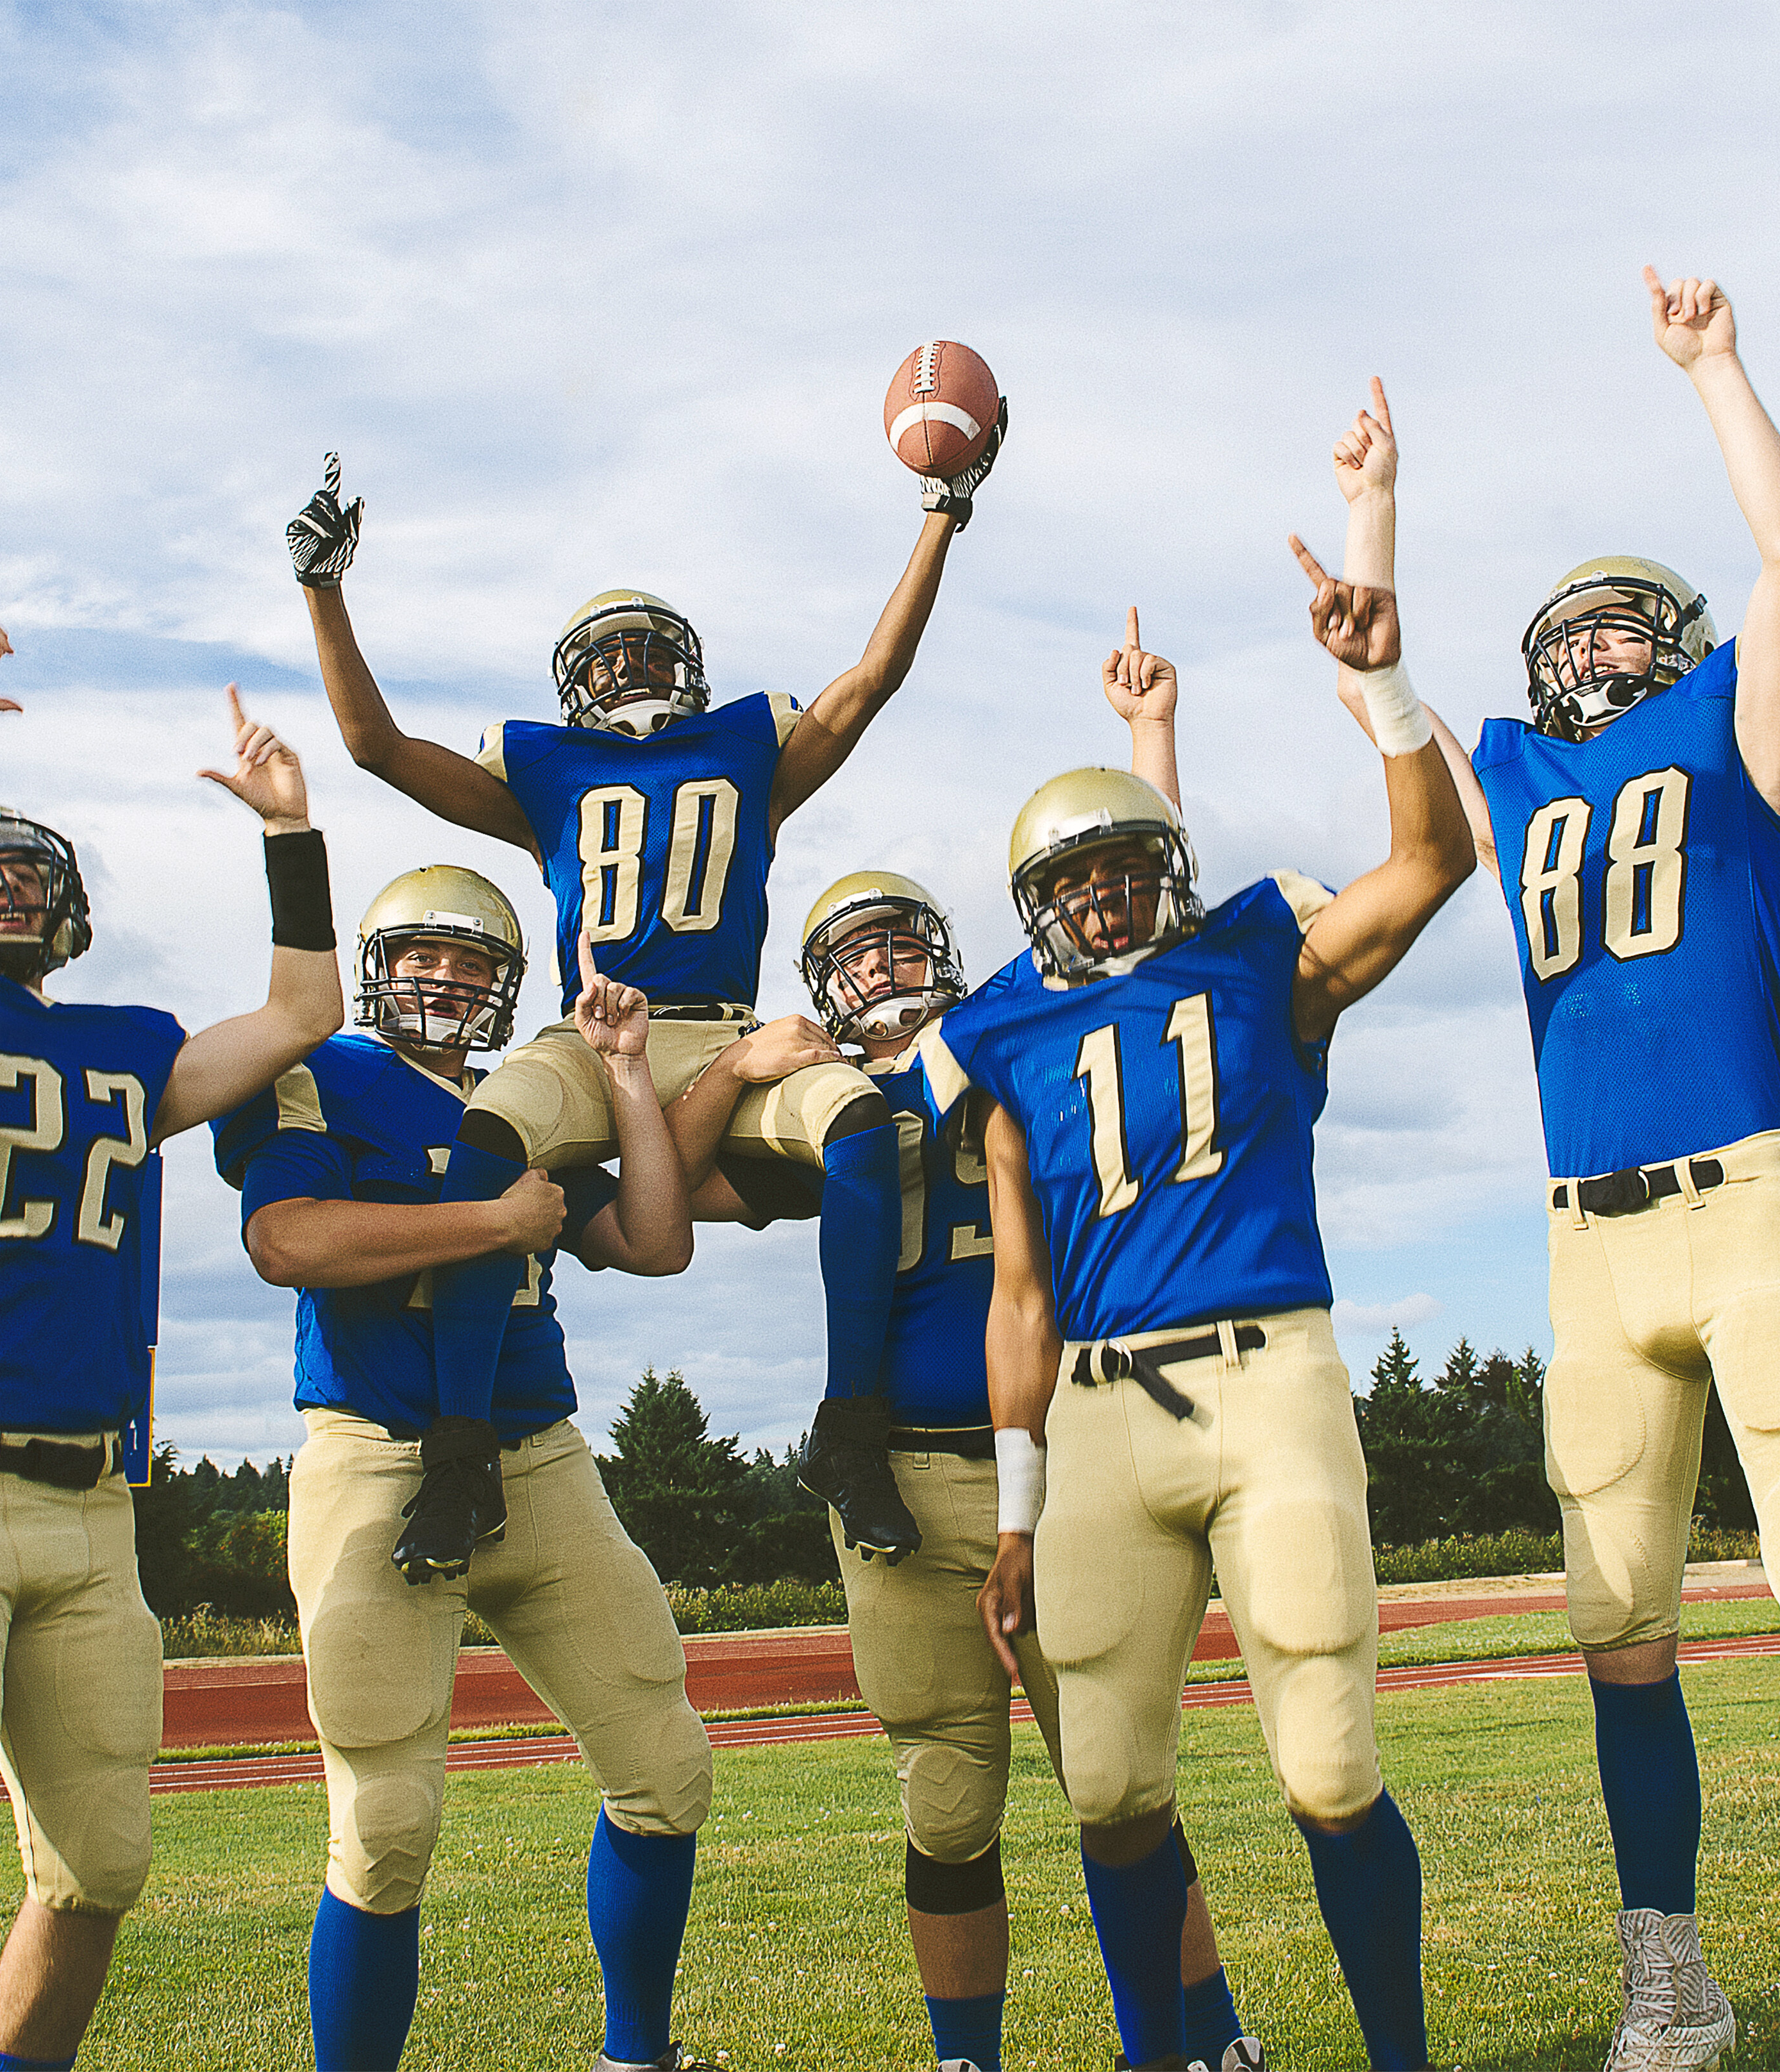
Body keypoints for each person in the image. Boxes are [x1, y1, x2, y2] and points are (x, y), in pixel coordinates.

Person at [1332, 281, 1780, 2069]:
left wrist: (1712, 368)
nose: (1592, 654)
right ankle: (1671, 1974)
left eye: (1627, 629)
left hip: (1744, 1209)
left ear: (1685, 646)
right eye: (1570, 636)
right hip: (1584, 1249)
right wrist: (1368, 515)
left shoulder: (1741, 740)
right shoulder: (1514, 780)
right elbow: (1387, 710)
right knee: (1616, 1632)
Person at [661, 626, 1256, 2072]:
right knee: (948, 1800)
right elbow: (663, 1199)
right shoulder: (818, 1109)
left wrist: (1149, 744)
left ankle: (1209, 2039)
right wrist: (737, 1063)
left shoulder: (1011, 1028)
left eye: (901, 937)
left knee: (1120, 1785)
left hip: (1067, 1455)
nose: (884, 964)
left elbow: (1139, 923)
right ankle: (965, 2056)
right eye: (852, 949)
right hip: (904, 1494)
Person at [934, 503, 1475, 2071]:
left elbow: (1431, 858)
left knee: (1326, 1760)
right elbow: (1018, 1295)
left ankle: (1400, 2059)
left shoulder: (1257, 951)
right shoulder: (1007, 1031)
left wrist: (1385, 690)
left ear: (1167, 867)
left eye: (1126, 866)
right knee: (1105, 1785)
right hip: (1097, 1412)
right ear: (1039, 905)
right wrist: (1019, 1508)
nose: (1104, 898)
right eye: (1075, 880)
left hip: (1266, 1375)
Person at [0, 600, 348, 2072]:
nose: (13, 887)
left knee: (99, 1863)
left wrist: (290, 829)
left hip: (94, 1497)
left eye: (32, 867)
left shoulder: (126, 1043)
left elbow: (300, 1010)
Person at [283, 408, 999, 1584]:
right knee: (484, 1142)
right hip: (593, 1028)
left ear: (692, 666)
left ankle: (850, 1428)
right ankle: (461, 1456)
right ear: (570, 685)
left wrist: (941, 513)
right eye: (607, 655)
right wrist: (323, 589)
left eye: (648, 650)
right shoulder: (542, 770)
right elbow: (372, 745)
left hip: (722, 1025)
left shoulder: (748, 747)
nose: (631, 670)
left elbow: (870, 679)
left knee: (870, 1127)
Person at [213, 868, 725, 2072]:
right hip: (376, 1452)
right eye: (425, 957)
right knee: (384, 1824)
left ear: (507, 989)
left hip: (539, 1456)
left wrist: (635, 1075)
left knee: (665, 1769)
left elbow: (653, 1241)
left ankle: (634, 2057)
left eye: (473, 964)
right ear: (380, 964)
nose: (446, 982)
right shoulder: (321, 1071)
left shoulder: (533, 1093)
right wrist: (491, 1223)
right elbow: (286, 1241)